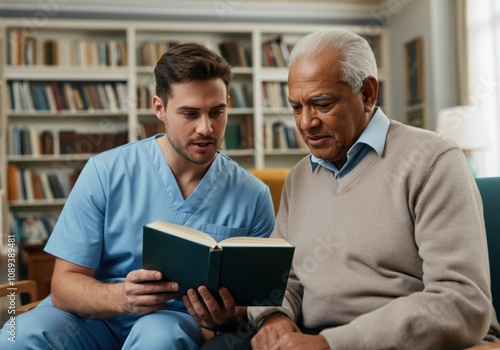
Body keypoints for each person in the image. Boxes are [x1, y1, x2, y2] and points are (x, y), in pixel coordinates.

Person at [201, 29, 500, 350]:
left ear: (368, 93)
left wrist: (333, 343)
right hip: (306, 336)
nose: (305, 123)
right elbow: (284, 279)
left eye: (321, 103)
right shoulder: (300, 177)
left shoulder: (433, 160)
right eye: (296, 107)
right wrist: (275, 317)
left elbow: (462, 301)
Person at [0, 43, 275, 349]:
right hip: (91, 318)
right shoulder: (104, 172)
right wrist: (121, 297)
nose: (206, 128)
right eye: (190, 113)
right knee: (18, 336)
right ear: (159, 108)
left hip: (169, 320)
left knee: (159, 339)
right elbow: (64, 285)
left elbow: (253, 306)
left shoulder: (254, 196)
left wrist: (223, 318)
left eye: (217, 112)